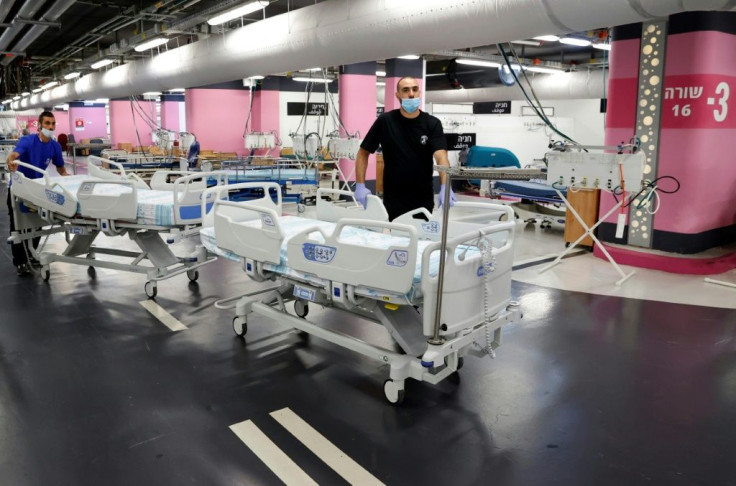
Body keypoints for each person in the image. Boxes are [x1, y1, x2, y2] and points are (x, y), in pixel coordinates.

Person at [355, 76, 456, 221]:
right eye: (406, 90)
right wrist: (360, 185)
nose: (411, 94)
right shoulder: (385, 121)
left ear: (419, 92)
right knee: (396, 239)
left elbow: (441, 157)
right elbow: (363, 153)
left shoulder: (432, 124)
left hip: (422, 197)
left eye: (415, 89)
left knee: (421, 239)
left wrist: (445, 186)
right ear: (397, 95)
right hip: (393, 197)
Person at [6, 111, 68, 276]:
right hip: (19, 189)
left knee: (37, 223)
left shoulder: (55, 146)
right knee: (19, 226)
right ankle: (20, 261)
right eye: (47, 123)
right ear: (40, 125)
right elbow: (15, 154)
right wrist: (11, 161)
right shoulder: (28, 141)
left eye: (53, 124)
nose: (50, 127)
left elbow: (61, 169)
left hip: (37, 191)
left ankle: (31, 254)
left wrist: (72, 183)